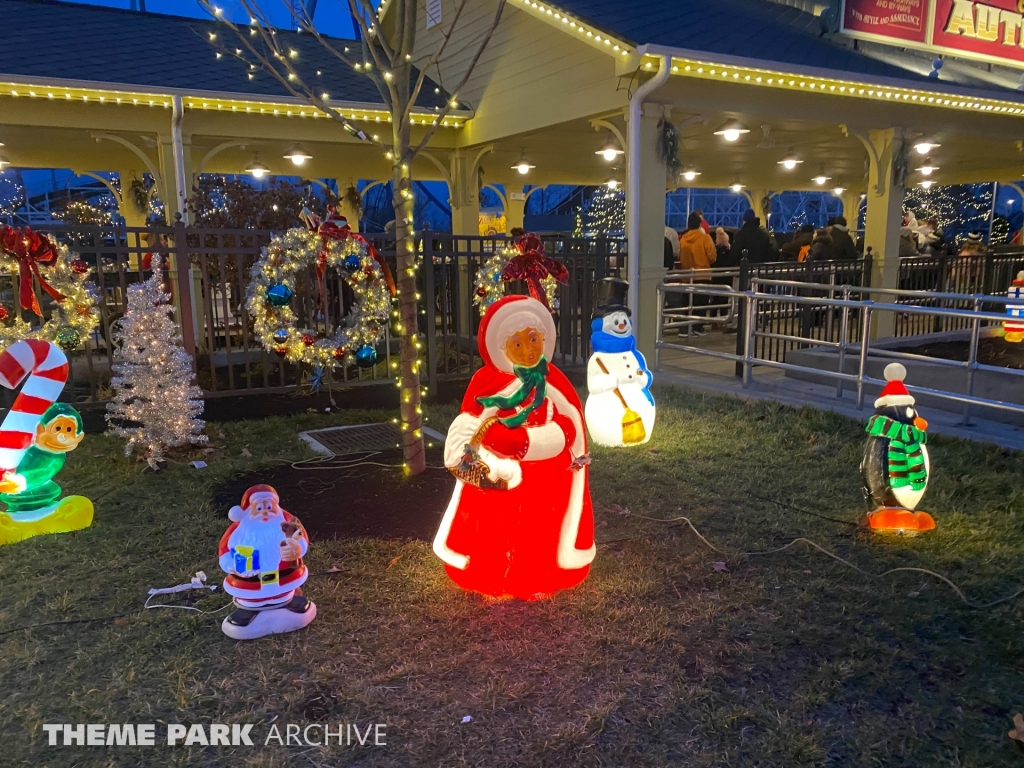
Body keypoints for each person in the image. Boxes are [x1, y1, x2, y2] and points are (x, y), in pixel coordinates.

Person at [436, 295, 595, 599]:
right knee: (497, 531)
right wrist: (494, 441)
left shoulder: (553, 381)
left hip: (548, 478)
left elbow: (571, 423)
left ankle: (537, 578)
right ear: (501, 348)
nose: (529, 349)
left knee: (540, 529)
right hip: (500, 480)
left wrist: (532, 441)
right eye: (518, 344)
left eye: (533, 339)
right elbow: (472, 424)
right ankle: (493, 578)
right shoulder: (486, 384)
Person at [678, 211, 717, 334]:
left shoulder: (683, 240)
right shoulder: (705, 238)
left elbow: (680, 257)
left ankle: (688, 327)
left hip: (687, 276)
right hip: (703, 275)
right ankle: (698, 328)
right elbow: (712, 257)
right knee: (701, 304)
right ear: (700, 224)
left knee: (689, 304)